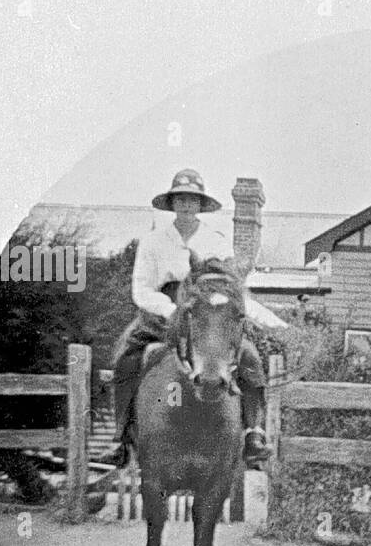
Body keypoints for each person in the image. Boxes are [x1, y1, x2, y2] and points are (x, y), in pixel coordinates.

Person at [111, 168, 286, 469]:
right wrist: (170, 311)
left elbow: (226, 283)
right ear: (172, 203)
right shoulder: (152, 241)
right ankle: (122, 438)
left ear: (200, 205)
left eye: (192, 200)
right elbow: (141, 289)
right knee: (125, 356)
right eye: (180, 199)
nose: (186, 205)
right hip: (161, 311)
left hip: (207, 314)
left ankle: (252, 434)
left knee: (249, 356)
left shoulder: (215, 240)